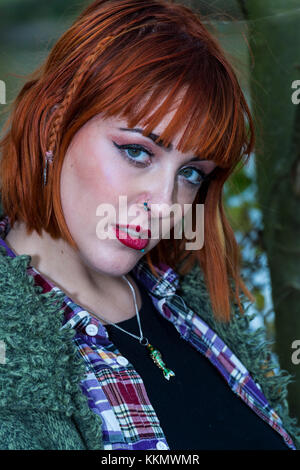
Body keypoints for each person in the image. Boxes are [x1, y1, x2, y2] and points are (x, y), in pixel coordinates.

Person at [0, 0, 299, 451]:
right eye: (137, 151)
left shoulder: (190, 298)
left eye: (191, 172)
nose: (165, 204)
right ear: (52, 128)